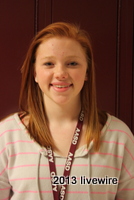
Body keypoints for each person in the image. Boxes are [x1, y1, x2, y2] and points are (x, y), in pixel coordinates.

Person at [0, 22, 134, 200]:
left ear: (87, 72)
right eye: (49, 63)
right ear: (34, 73)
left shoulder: (119, 136)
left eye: (72, 63)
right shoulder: (7, 135)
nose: (60, 73)